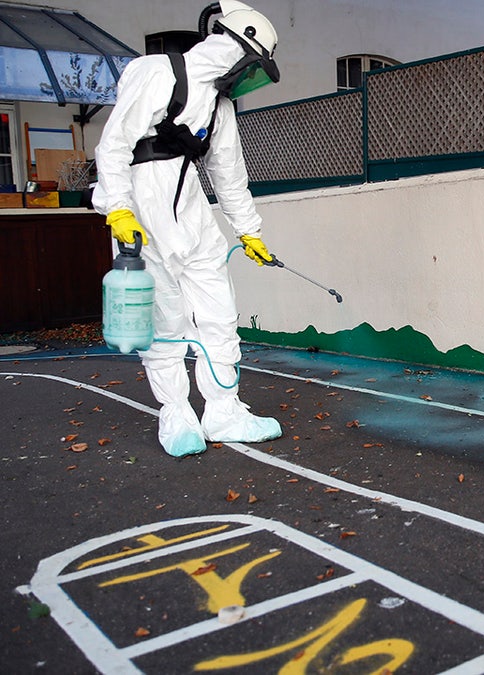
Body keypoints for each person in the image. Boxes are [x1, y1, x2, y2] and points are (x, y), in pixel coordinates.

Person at [93, 0, 283, 457]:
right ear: (239, 48)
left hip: (193, 217)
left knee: (219, 315)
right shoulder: (157, 72)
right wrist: (118, 209)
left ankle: (224, 409)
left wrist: (248, 231)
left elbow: (229, 174)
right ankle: (176, 414)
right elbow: (114, 143)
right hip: (144, 215)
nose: (248, 79)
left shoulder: (220, 108)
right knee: (165, 321)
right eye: (254, 69)